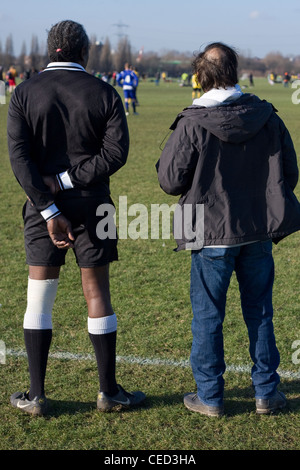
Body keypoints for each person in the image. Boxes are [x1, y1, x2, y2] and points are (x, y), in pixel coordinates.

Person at [7, 20, 146, 416]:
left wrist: (49, 205)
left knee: (40, 297)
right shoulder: (105, 92)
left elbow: (20, 160)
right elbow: (116, 154)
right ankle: (108, 393)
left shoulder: (23, 92)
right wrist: (70, 181)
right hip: (93, 204)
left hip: (40, 208)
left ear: (52, 50)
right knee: (97, 292)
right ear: (84, 52)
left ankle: (35, 396)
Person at [156, 42, 300, 417]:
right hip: (256, 229)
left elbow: (170, 180)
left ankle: (210, 395)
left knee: (208, 315)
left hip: (211, 232)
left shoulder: (193, 121)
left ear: (200, 75)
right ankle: (267, 392)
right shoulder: (267, 115)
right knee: (260, 312)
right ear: (234, 71)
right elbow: (291, 174)